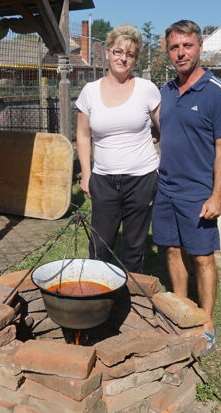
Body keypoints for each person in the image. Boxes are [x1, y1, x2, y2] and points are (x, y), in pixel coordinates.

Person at [152, 20, 221, 354]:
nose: (181, 53)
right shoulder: (165, 92)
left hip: (198, 192)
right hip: (166, 188)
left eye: (187, 45)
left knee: (202, 257)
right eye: (174, 47)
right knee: (172, 250)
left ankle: (206, 323)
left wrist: (217, 196)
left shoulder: (217, 92)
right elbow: (160, 132)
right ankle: (182, 312)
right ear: (168, 51)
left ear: (200, 46)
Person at [76, 24, 161, 273]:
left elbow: (164, 127)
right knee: (100, 247)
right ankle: (98, 292)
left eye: (130, 54)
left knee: (134, 248)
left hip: (142, 179)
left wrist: (155, 138)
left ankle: (131, 294)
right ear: (107, 53)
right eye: (118, 51)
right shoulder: (90, 91)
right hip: (104, 179)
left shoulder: (147, 89)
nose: (123, 58)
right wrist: (86, 174)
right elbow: (83, 135)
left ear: (135, 58)